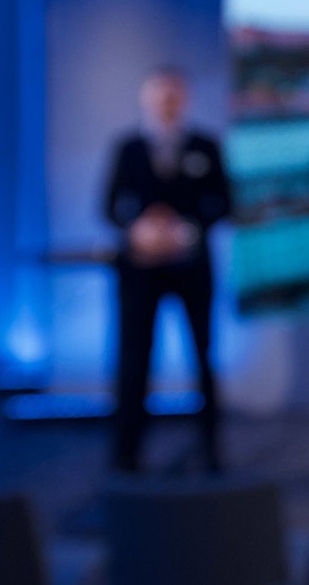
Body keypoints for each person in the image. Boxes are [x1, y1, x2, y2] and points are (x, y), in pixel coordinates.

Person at [103, 66, 231, 473]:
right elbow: (107, 207)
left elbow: (224, 202)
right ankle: (127, 455)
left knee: (203, 359)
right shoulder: (127, 148)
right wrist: (138, 230)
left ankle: (211, 450)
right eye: (159, 96)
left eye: (174, 95)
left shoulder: (205, 146)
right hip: (140, 271)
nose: (167, 103)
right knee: (134, 362)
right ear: (146, 99)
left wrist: (186, 230)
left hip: (191, 268)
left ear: (185, 99)